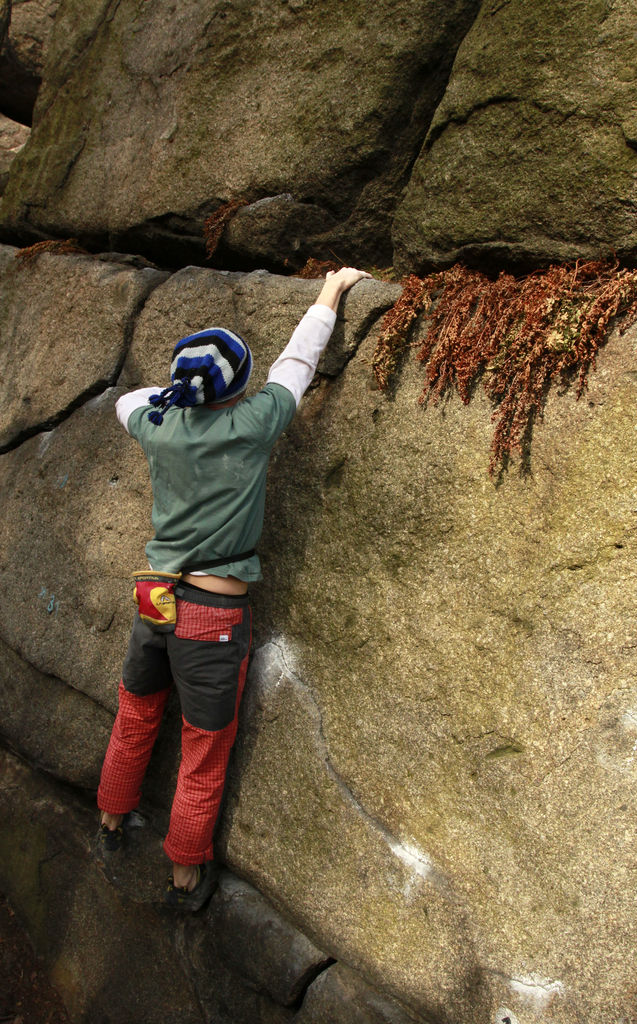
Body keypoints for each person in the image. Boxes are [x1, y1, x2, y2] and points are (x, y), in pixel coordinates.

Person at [96, 267, 371, 910]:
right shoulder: (254, 423)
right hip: (211, 616)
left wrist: (174, 396)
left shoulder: (157, 425)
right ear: (238, 389)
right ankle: (185, 872)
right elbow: (299, 361)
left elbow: (127, 401)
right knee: (203, 746)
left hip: (153, 601)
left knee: (135, 713)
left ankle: (111, 818)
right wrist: (330, 292)